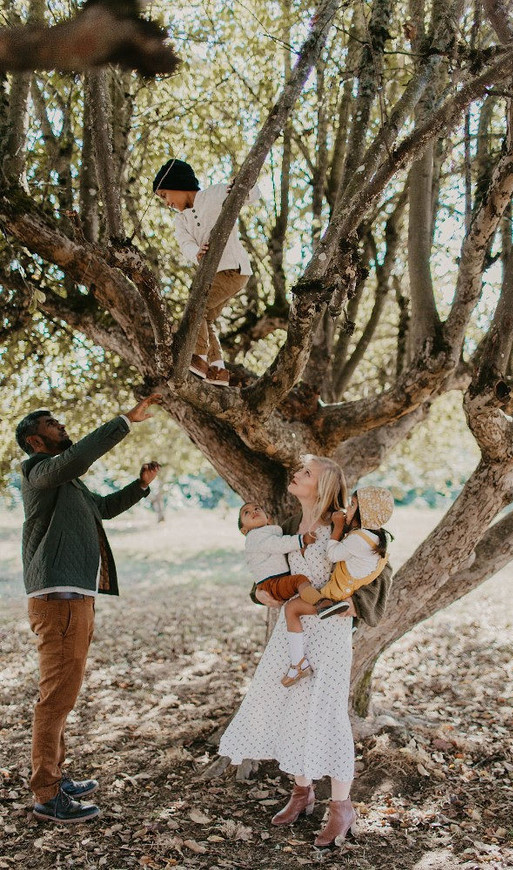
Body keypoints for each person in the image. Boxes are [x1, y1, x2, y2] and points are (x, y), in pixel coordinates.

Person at [220, 456, 392, 848]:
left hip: (329, 629)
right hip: (293, 628)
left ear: (326, 484)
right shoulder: (288, 524)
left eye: (306, 473)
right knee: (292, 706)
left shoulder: (345, 521)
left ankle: (341, 807)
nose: (296, 475)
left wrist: (359, 607)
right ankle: (302, 793)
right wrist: (259, 593)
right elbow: (269, 567)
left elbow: (379, 569)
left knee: (327, 711)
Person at [16, 394, 161, 824]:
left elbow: (103, 509)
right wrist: (125, 420)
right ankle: (46, 794)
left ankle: (55, 778)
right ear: (34, 440)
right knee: (55, 700)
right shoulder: (40, 471)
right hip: (58, 602)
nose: (60, 426)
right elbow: (77, 458)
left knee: (62, 696)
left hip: (76, 599)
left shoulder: (70, 485)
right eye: (51, 423)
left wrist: (140, 486)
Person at [153, 158, 260, 386]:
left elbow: (253, 195)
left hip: (233, 269)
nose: (166, 203)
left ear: (177, 183)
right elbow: (185, 245)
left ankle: (199, 356)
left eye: (164, 195)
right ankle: (218, 369)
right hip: (216, 275)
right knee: (207, 318)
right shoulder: (180, 221)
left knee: (197, 306)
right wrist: (196, 253)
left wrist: (241, 188)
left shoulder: (215, 194)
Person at [281, 486, 394, 686]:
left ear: (364, 512)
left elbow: (332, 555)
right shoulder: (377, 538)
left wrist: (338, 527)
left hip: (335, 594)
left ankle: (298, 664)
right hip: (346, 590)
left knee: (292, 608)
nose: (347, 508)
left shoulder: (359, 538)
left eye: (352, 505)